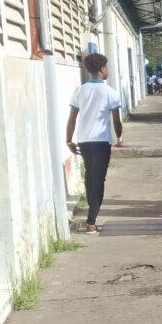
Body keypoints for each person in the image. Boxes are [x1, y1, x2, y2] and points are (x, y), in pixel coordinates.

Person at [65, 53, 123, 235]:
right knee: (98, 180)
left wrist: (69, 140)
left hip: (84, 141)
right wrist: (119, 137)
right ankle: (91, 222)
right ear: (102, 69)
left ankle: (92, 213)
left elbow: (72, 119)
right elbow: (116, 120)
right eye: (106, 67)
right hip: (101, 141)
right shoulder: (111, 93)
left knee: (90, 176)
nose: (107, 70)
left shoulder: (80, 91)